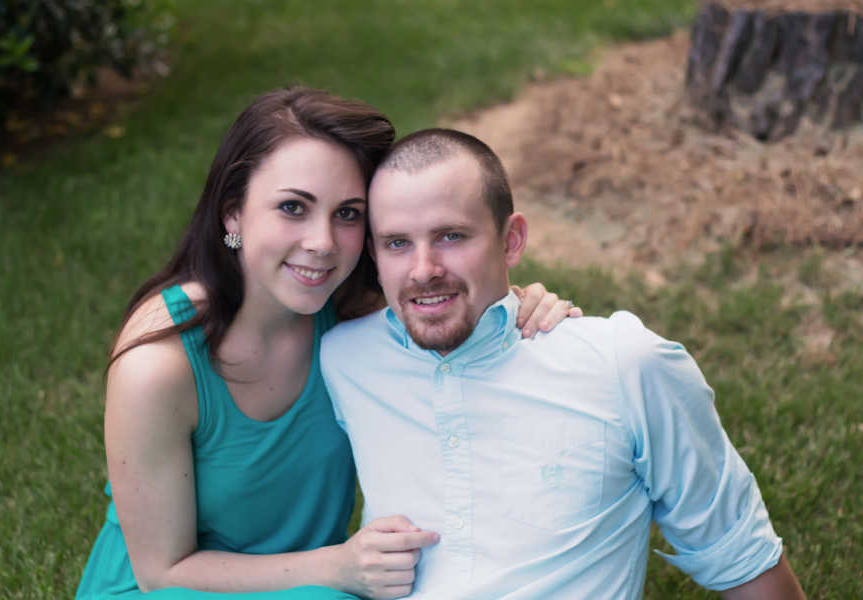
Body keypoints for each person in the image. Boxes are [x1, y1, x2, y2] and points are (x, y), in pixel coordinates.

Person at [75, 88, 579, 600]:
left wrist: (522, 302)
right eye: (293, 207)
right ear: (233, 215)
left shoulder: (352, 314)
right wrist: (336, 567)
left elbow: (451, 303)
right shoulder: (159, 364)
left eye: (348, 214)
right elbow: (161, 571)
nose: (322, 243)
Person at [320, 128, 807, 599]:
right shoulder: (344, 358)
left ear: (511, 241)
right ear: (374, 255)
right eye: (398, 243)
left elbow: (741, 555)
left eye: (451, 236)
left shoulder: (625, 367)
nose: (424, 269)